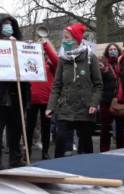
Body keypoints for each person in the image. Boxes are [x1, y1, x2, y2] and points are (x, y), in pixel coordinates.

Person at [46, 23, 103, 158]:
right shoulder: (63, 60)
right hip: (66, 108)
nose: (64, 41)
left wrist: (94, 103)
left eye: (67, 38)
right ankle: (57, 170)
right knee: (60, 140)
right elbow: (57, 85)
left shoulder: (90, 57)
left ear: (76, 39)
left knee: (86, 142)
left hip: (85, 109)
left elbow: (98, 84)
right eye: (63, 38)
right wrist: (51, 106)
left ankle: (88, 170)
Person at [0, 13, 30, 170]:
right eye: (5, 23)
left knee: (16, 129)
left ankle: (16, 159)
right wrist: (6, 45)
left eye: (11, 23)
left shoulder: (19, 42)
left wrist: (28, 48)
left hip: (17, 94)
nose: (8, 26)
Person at [25, 39, 59, 161]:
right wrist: (28, 45)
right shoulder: (30, 62)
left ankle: (45, 152)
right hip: (32, 99)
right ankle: (27, 151)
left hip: (47, 100)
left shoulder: (50, 63)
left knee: (46, 127)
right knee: (29, 127)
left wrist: (45, 45)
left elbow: (56, 60)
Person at [99, 43, 124, 152]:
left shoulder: (122, 62)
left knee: (120, 127)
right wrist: (103, 70)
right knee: (105, 126)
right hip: (106, 99)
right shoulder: (103, 62)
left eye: (115, 49)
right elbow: (102, 76)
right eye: (111, 49)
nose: (113, 51)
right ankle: (104, 149)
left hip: (120, 99)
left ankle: (120, 149)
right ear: (107, 51)